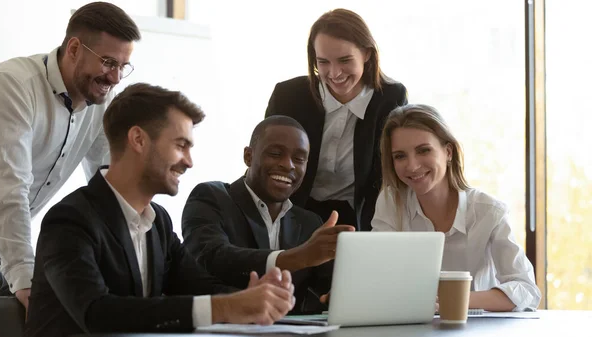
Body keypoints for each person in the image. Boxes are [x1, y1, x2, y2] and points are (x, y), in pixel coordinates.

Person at [25, 83, 296, 337]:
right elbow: (97, 313)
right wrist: (226, 307)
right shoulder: (69, 220)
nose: (189, 162)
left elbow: (199, 286)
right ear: (138, 140)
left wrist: (251, 295)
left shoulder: (159, 222)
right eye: (180, 146)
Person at [0, 2, 140, 311]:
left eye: (123, 66)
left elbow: (108, 183)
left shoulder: (100, 99)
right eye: (108, 62)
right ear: (74, 48)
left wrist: (129, 264)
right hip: (5, 233)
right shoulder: (13, 85)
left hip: (2, 241)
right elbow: (10, 187)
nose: (114, 77)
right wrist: (25, 278)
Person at [371, 104, 541, 312]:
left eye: (423, 150)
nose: (412, 166)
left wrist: (451, 300)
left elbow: (527, 290)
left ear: (448, 152)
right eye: (400, 156)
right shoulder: (391, 202)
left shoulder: (488, 212)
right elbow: (377, 274)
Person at [182, 116, 355, 314]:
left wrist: (338, 295)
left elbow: (322, 290)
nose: (288, 165)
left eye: (299, 159)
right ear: (248, 156)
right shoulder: (210, 197)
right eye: (275, 153)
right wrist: (298, 257)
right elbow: (213, 258)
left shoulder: (309, 222)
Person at [265, 8, 408, 231]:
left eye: (344, 60)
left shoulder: (390, 97)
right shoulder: (288, 95)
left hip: (358, 217)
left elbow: (389, 172)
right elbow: (265, 160)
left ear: (367, 54)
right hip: (292, 211)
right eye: (323, 62)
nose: (334, 73)